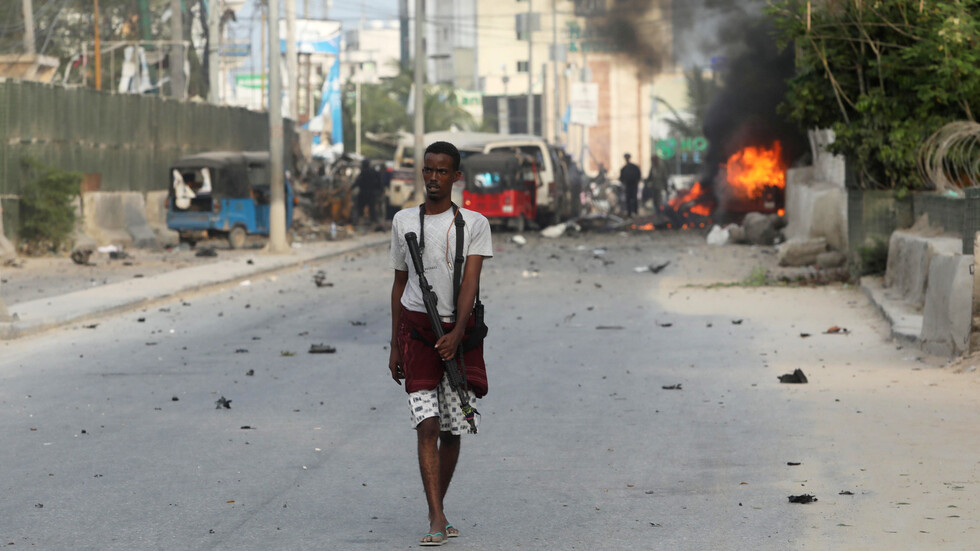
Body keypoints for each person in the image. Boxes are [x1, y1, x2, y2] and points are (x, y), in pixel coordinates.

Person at [388, 141, 493, 547]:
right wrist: (395, 344)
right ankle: (436, 515)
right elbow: (399, 284)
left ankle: (438, 507)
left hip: (459, 335)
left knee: (453, 429)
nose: (433, 177)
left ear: (455, 176)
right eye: (428, 170)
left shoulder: (475, 223)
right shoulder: (403, 222)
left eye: (442, 171)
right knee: (426, 423)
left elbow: (470, 283)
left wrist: (456, 332)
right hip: (416, 331)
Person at [354, 158, 382, 224]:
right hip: (372, 193)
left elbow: (357, 182)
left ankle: (360, 219)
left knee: (360, 206)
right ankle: (373, 221)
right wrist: (380, 191)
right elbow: (380, 182)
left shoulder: (363, 172)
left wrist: (351, 187)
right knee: (372, 208)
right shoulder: (374, 172)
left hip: (364, 193)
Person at [619, 153, 642, 218]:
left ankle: (635, 212)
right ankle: (629, 213)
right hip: (628, 186)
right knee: (628, 199)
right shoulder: (624, 168)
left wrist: (636, 182)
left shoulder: (634, 167)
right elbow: (621, 178)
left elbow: (638, 176)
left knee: (634, 199)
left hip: (633, 186)